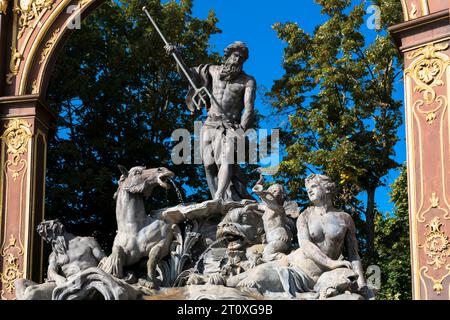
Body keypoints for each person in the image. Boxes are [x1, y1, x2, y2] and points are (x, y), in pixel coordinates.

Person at [226, 174, 367, 298]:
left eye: (313, 187)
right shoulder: (305, 215)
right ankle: (220, 280)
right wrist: (331, 263)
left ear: (328, 189)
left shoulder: (345, 219)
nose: (309, 191)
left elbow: (354, 255)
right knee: (251, 277)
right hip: (295, 267)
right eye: (307, 189)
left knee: (257, 279)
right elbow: (305, 245)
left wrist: (363, 286)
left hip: (323, 275)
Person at [165, 41, 256, 201]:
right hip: (210, 123)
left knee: (225, 158)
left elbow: (248, 108)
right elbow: (186, 74)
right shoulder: (212, 70)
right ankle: (218, 198)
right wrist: (177, 55)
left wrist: (241, 130)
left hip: (230, 125)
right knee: (208, 165)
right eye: (235, 56)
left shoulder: (247, 81)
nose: (237, 60)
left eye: (241, 58)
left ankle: (220, 195)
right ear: (228, 55)